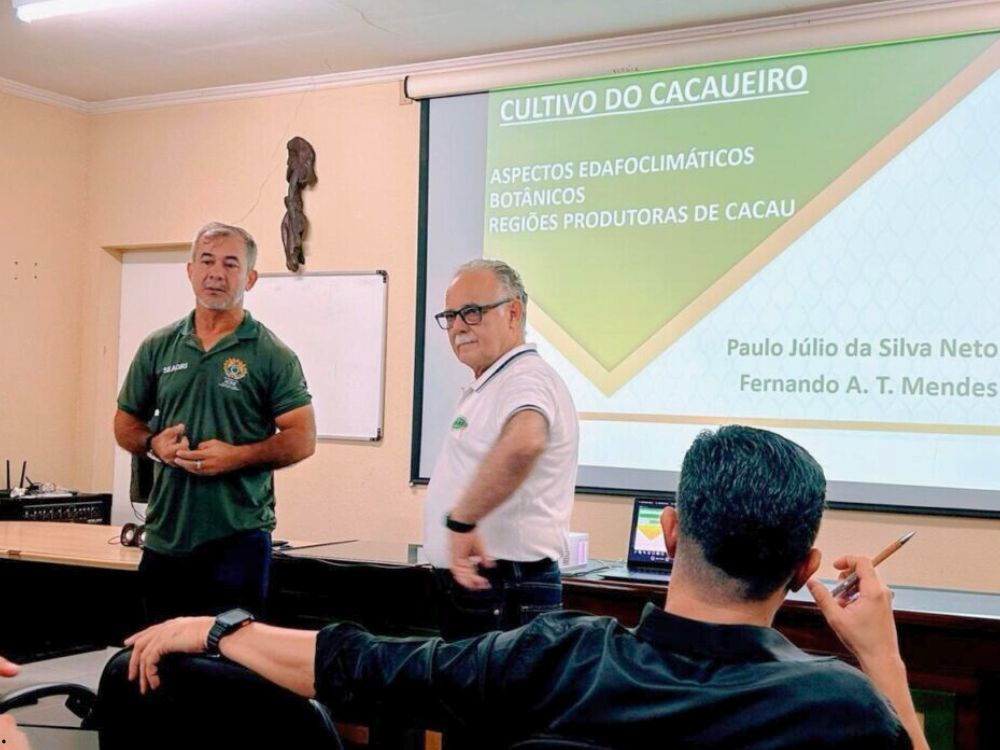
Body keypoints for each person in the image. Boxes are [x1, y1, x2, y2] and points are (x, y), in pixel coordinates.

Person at [121, 426, 927, 750]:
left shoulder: (557, 657)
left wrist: (219, 629)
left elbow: (367, 666)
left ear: (672, 532)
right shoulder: (840, 710)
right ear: (805, 569)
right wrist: (883, 664)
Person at [114, 221, 316, 623]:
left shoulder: (272, 354)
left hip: (237, 540)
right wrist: (154, 444)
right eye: (206, 261)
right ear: (190, 271)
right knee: (158, 652)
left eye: (230, 264)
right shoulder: (158, 346)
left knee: (232, 656)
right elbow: (125, 423)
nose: (216, 274)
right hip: (166, 537)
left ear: (250, 278)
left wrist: (236, 457)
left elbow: (302, 437)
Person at [425, 259, 579, 640]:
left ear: (513, 313)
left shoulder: (526, 377)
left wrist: (463, 521)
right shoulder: (497, 382)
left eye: (472, 312)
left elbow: (525, 441)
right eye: (451, 316)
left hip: (507, 588)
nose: (458, 327)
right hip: (489, 588)